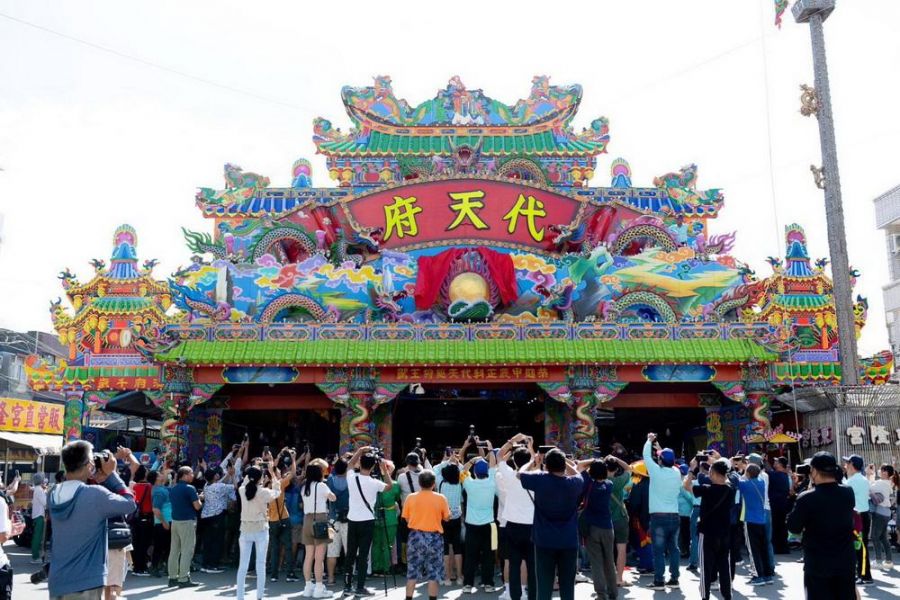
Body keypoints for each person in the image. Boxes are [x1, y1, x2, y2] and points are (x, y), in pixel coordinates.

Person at [48, 440, 137, 600]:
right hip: (85, 582)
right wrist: (112, 475)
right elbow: (130, 504)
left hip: (58, 580)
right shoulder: (95, 494)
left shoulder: (53, 492)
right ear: (89, 465)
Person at [787, 451, 857, 599]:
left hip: (818, 564)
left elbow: (793, 527)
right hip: (845, 561)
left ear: (814, 471)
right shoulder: (848, 492)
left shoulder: (806, 498)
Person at [519, 448, 584, 600]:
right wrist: (564, 460)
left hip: (544, 540)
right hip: (568, 540)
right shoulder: (574, 482)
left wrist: (532, 461)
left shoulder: (541, 479)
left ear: (546, 466)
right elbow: (577, 472)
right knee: (568, 586)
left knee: (544, 585)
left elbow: (520, 473)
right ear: (563, 465)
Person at [345, 445, 394, 597]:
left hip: (352, 519)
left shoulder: (352, 478)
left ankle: (347, 586)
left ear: (361, 462)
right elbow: (390, 486)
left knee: (351, 554)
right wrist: (384, 470)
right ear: (373, 466)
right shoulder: (375, 483)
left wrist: (360, 451)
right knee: (363, 554)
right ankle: (360, 587)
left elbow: (349, 465)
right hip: (367, 521)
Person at [686, 459, 736, 600]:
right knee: (724, 568)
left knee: (705, 569)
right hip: (724, 534)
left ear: (713, 473)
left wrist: (691, 470)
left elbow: (686, 485)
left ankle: (705, 596)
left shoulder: (707, 489)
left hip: (707, 533)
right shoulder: (730, 490)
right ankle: (727, 596)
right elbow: (729, 479)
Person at [496, 435, 535, 600]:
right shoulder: (536, 476)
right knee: (532, 563)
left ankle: (514, 595)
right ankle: (531, 594)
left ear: (515, 461)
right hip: (532, 526)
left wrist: (512, 441)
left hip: (512, 525)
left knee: (513, 563)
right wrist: (531, 448)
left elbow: (498, 456)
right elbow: (535, 461)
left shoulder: (509, 475)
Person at [641, 433, 682, 590]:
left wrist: (649, 440)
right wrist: (659, 449)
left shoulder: (655, 472)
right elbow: (669, 461)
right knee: (674, 549)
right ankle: (674, 579)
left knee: (658, 551)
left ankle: (659, 581)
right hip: (674, 516)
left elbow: (646, 455)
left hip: (659, 518)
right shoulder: (677, 473)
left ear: (660, 460)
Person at [402, 470, 451, 600]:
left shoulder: (410, 497)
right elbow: (447, 518)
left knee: (412, 572)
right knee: (433, 574)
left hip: (415, 536)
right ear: (434, 483)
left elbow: (406, 518)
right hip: (434, 538)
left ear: (419, 483)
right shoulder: (441, 498)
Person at [460, 437, 499, 594]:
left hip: (472, 525)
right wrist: (490, 450)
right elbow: (494, 467)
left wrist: (472, 460)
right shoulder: (492, 482)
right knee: (489, 555)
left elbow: (463, 471)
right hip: (490, 525)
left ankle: (468, 584)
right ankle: (488, 583)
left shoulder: (469, 483)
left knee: (470, 555)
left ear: (475, 472)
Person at [237, 464, 282, 600]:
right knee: (260, 564)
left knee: (243, 565)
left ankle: (240, 597)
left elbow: (245, 481)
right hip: (261, 529)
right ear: (260, 478)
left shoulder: (242, 490)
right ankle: (259, 596)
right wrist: (272, 474)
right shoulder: (263, 492)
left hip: (245, 529)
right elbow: (277, 492)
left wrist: (253, 469)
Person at [577, 459, 617, 600]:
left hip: (592, 528)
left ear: (591, 471)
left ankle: (602, 595)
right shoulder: (609, 485)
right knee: (609, 562)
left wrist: (592, 461)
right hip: (607, 527)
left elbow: (580, 465)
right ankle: (613, 593)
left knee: (597, 563)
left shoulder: (588, 483)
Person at [301, 459, 337, 598]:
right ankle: (319, 588)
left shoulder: (304, 487)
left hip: (307, 520)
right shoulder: (322, 486)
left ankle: (307, 586)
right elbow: (333, 498)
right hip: (320, 520)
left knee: (308, 556)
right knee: (319, 557)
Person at [738, 463, 774, 585]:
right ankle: (768, 574)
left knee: (753, 550)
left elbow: (735, 480)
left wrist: (740, 469)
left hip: (751, 520)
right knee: (763, 548)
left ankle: (757, 575)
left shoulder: (745, 484)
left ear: (747, 473)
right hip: (761, 519)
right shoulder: (761, 482)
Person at [167, 465, 202, 588]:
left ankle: (172, 577)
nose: (193, 475)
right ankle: (183, 578)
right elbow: (197, 506)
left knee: (174, 550)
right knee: (187, 550)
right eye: (191, 473)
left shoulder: (173, 488)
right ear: (185, 475)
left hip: (175, 521)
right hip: (187, 521)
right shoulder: (190, 488)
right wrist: (201, 498)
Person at [200, 464, 237, 574]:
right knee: (217, 541)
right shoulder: (219, 486)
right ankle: (213, 565)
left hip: (206, 516)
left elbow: (221, 482)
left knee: (207, 541)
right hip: (217, 516)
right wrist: (233, 475)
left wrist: (228, 474)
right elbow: (235, 486)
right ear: (215, 476)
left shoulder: (206, 485)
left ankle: (205, 564)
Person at [433, 454, 464, 586]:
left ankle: (446, 578)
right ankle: (459, 577)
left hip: (443, 518)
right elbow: (464, 471)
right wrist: (457, 462)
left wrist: (446, 460)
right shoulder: (460, 482)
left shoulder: (440, 482)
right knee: (457, 548)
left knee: (445, 549)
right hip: (456, 517)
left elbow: (435, 469)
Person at [268, 448, 297, 583]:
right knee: (288, 546)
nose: (280, 471)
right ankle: (290, 573)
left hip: (272, 520)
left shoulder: (265, 486)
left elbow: (271, 468)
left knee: (274, 548)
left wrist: (277, 456)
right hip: (283, 518)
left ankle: (274, 574)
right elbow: (293, 473)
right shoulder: (280, 484)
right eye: (278, 471)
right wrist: (293, 459)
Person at [843, 454, 873, 585]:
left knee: (860, 546)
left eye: (847, 463)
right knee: (860, 546)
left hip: (857, 516)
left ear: (852, 465)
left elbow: (843, 493)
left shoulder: (853, 481)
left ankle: (865, 576)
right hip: (862, 515)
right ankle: (862, 574)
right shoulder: (860, 478)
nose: (845, 465)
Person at [605, 456, 632, 587]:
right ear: (616, 470)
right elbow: (629, 468)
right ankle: (619, 578)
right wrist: (616, 458)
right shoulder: (619, 481)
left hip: (604, 520)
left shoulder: (598, 481)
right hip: (620, 518)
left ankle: (606, 578)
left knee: (605, 550)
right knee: (621, 549)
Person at [326, 456, 350, 585]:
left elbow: (331, 473)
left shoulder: (330, 480)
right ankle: (348, 579)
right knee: (349, 552)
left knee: (332, 552)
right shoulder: (351, 480)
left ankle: (330, 578)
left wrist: (335, 464)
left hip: (333, 520)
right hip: (348, 518)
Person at [372, 470, 401, 574]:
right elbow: (397, 498)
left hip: (375, 515)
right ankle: (386, 568)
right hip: (390, 516)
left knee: (376, 543)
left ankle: (376, 567)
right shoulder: (395, 485)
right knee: (388, 544)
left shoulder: (374, 483)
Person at [128, 466, 154, 577]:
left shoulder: (132, 486)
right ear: (144, 474)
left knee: (136, 543)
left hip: (134, 518)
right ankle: (141, 568)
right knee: (144, 544)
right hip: (146, 517)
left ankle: (136, 566)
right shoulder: (149, 487)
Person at [870, 464, 897, 569]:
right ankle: (889, 561)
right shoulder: (887, 483)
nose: (881, 471)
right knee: (883, 538)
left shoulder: (882, 483)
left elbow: (869, 488)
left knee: (875, 536)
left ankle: (878, 561)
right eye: (881, 469)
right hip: (885, 513)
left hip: (880, 513)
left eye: (884, 470)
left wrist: (870, 474)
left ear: (888, 473)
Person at [149, 469, 171, 578]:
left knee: (167, 546)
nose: (162, 475)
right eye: (160, 474)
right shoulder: (158, 491)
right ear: (156, 478)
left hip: (164, 522)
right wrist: (164, 522)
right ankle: (155, 567)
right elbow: (156, 509)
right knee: (160, 547)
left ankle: (167, 567)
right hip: (162, 523)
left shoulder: (161, 488)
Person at [769, 457, 792, 555]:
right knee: (781, 527)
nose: (774, 462)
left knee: (776, 527)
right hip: (782, 505)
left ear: (780, 464)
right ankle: (783, 548)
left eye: (776, 461)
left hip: (776, 505)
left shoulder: (776, 475)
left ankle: (777, 548)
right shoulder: (786, 476)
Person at [30, 473, 48, 564]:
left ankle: (35, 555)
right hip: (39, 515)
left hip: (37, 515)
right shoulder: (39, 490)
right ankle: (35, 557)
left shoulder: (37, 489)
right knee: (37, 537)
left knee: (37, 536)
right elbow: (45, 503)